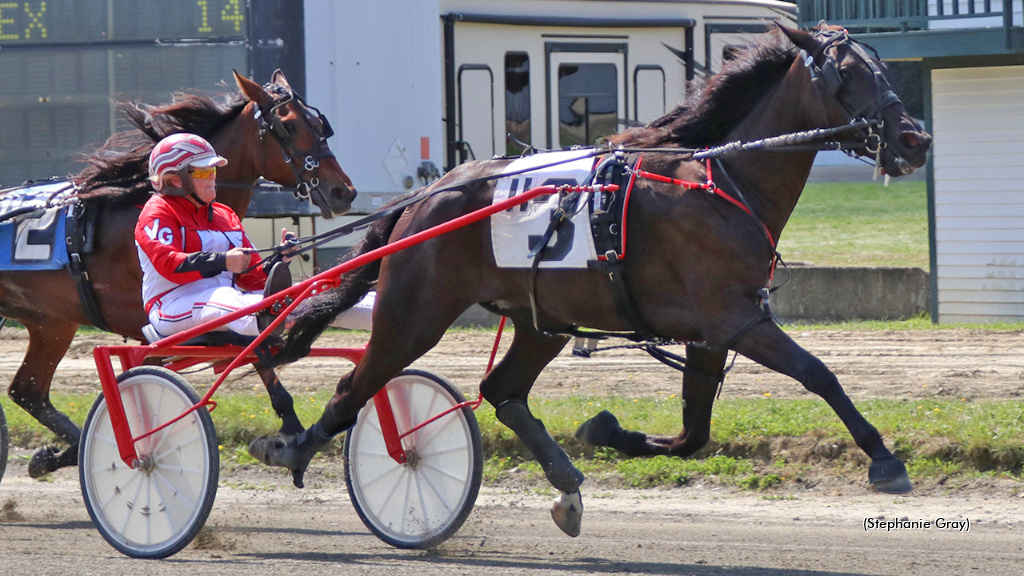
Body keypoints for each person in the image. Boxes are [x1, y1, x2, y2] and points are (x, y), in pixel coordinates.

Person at [135, 133, 295, 340]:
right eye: (203, 172)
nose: (212, 176)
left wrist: (279, 259)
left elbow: (251, 278)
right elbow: (169, 265)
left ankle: (331, 311)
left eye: (212, 170)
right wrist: (223, 261)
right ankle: (272, 318)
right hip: (171, 306)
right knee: (226, 298)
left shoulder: (225, 215)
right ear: (176, 180)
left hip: (224, 305)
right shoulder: (158, 212)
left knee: (296, 297)